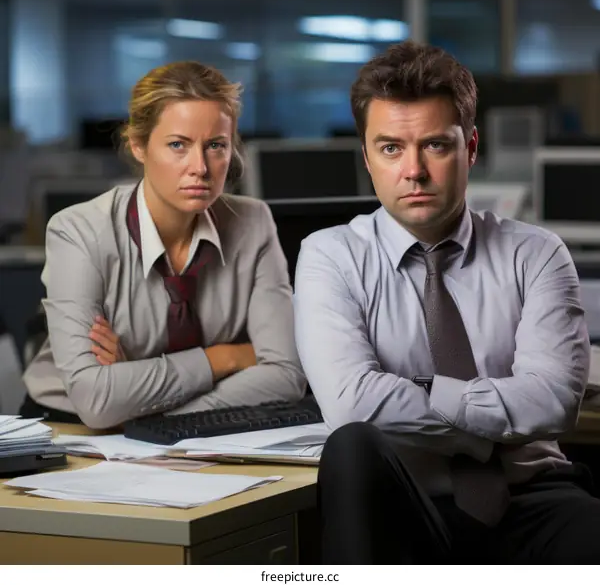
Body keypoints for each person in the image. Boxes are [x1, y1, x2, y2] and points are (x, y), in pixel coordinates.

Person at [293, 41, 600, 564]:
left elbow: (553, 401)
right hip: (407, 508)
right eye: (390, 148)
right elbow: (352, 404)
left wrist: (420, 393)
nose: (413, 170)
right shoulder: (329, 255)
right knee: (353, 445)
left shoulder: (536, 253)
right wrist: (488, 430)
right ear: (366, 156)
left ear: (471, 147)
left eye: (435, 145)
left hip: (532, 498)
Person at [21, 60, 306, 428]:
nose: (200, 167)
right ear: (138, 146)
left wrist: (149, 406)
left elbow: (286, 374)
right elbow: (96, 400)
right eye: (178, 145)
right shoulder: (79, 231)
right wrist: (225, 358)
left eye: (216, 145)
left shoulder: (253, 222)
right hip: (69, 428)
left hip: (195, 430)